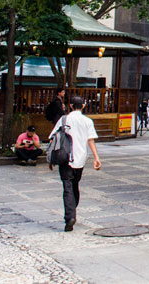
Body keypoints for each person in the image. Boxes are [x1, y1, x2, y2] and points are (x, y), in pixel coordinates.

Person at [49, 96, 101, 232]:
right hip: (80, 158)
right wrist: (96, 158)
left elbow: (53, 138)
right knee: (74, 184)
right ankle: (72, 209)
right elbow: (91, 140)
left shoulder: (64, 119)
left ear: (71, 105)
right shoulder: (87, 121)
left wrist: (50, 158)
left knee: (67, 186)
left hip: (65, 157)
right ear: (83, 106)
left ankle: (70, 215)